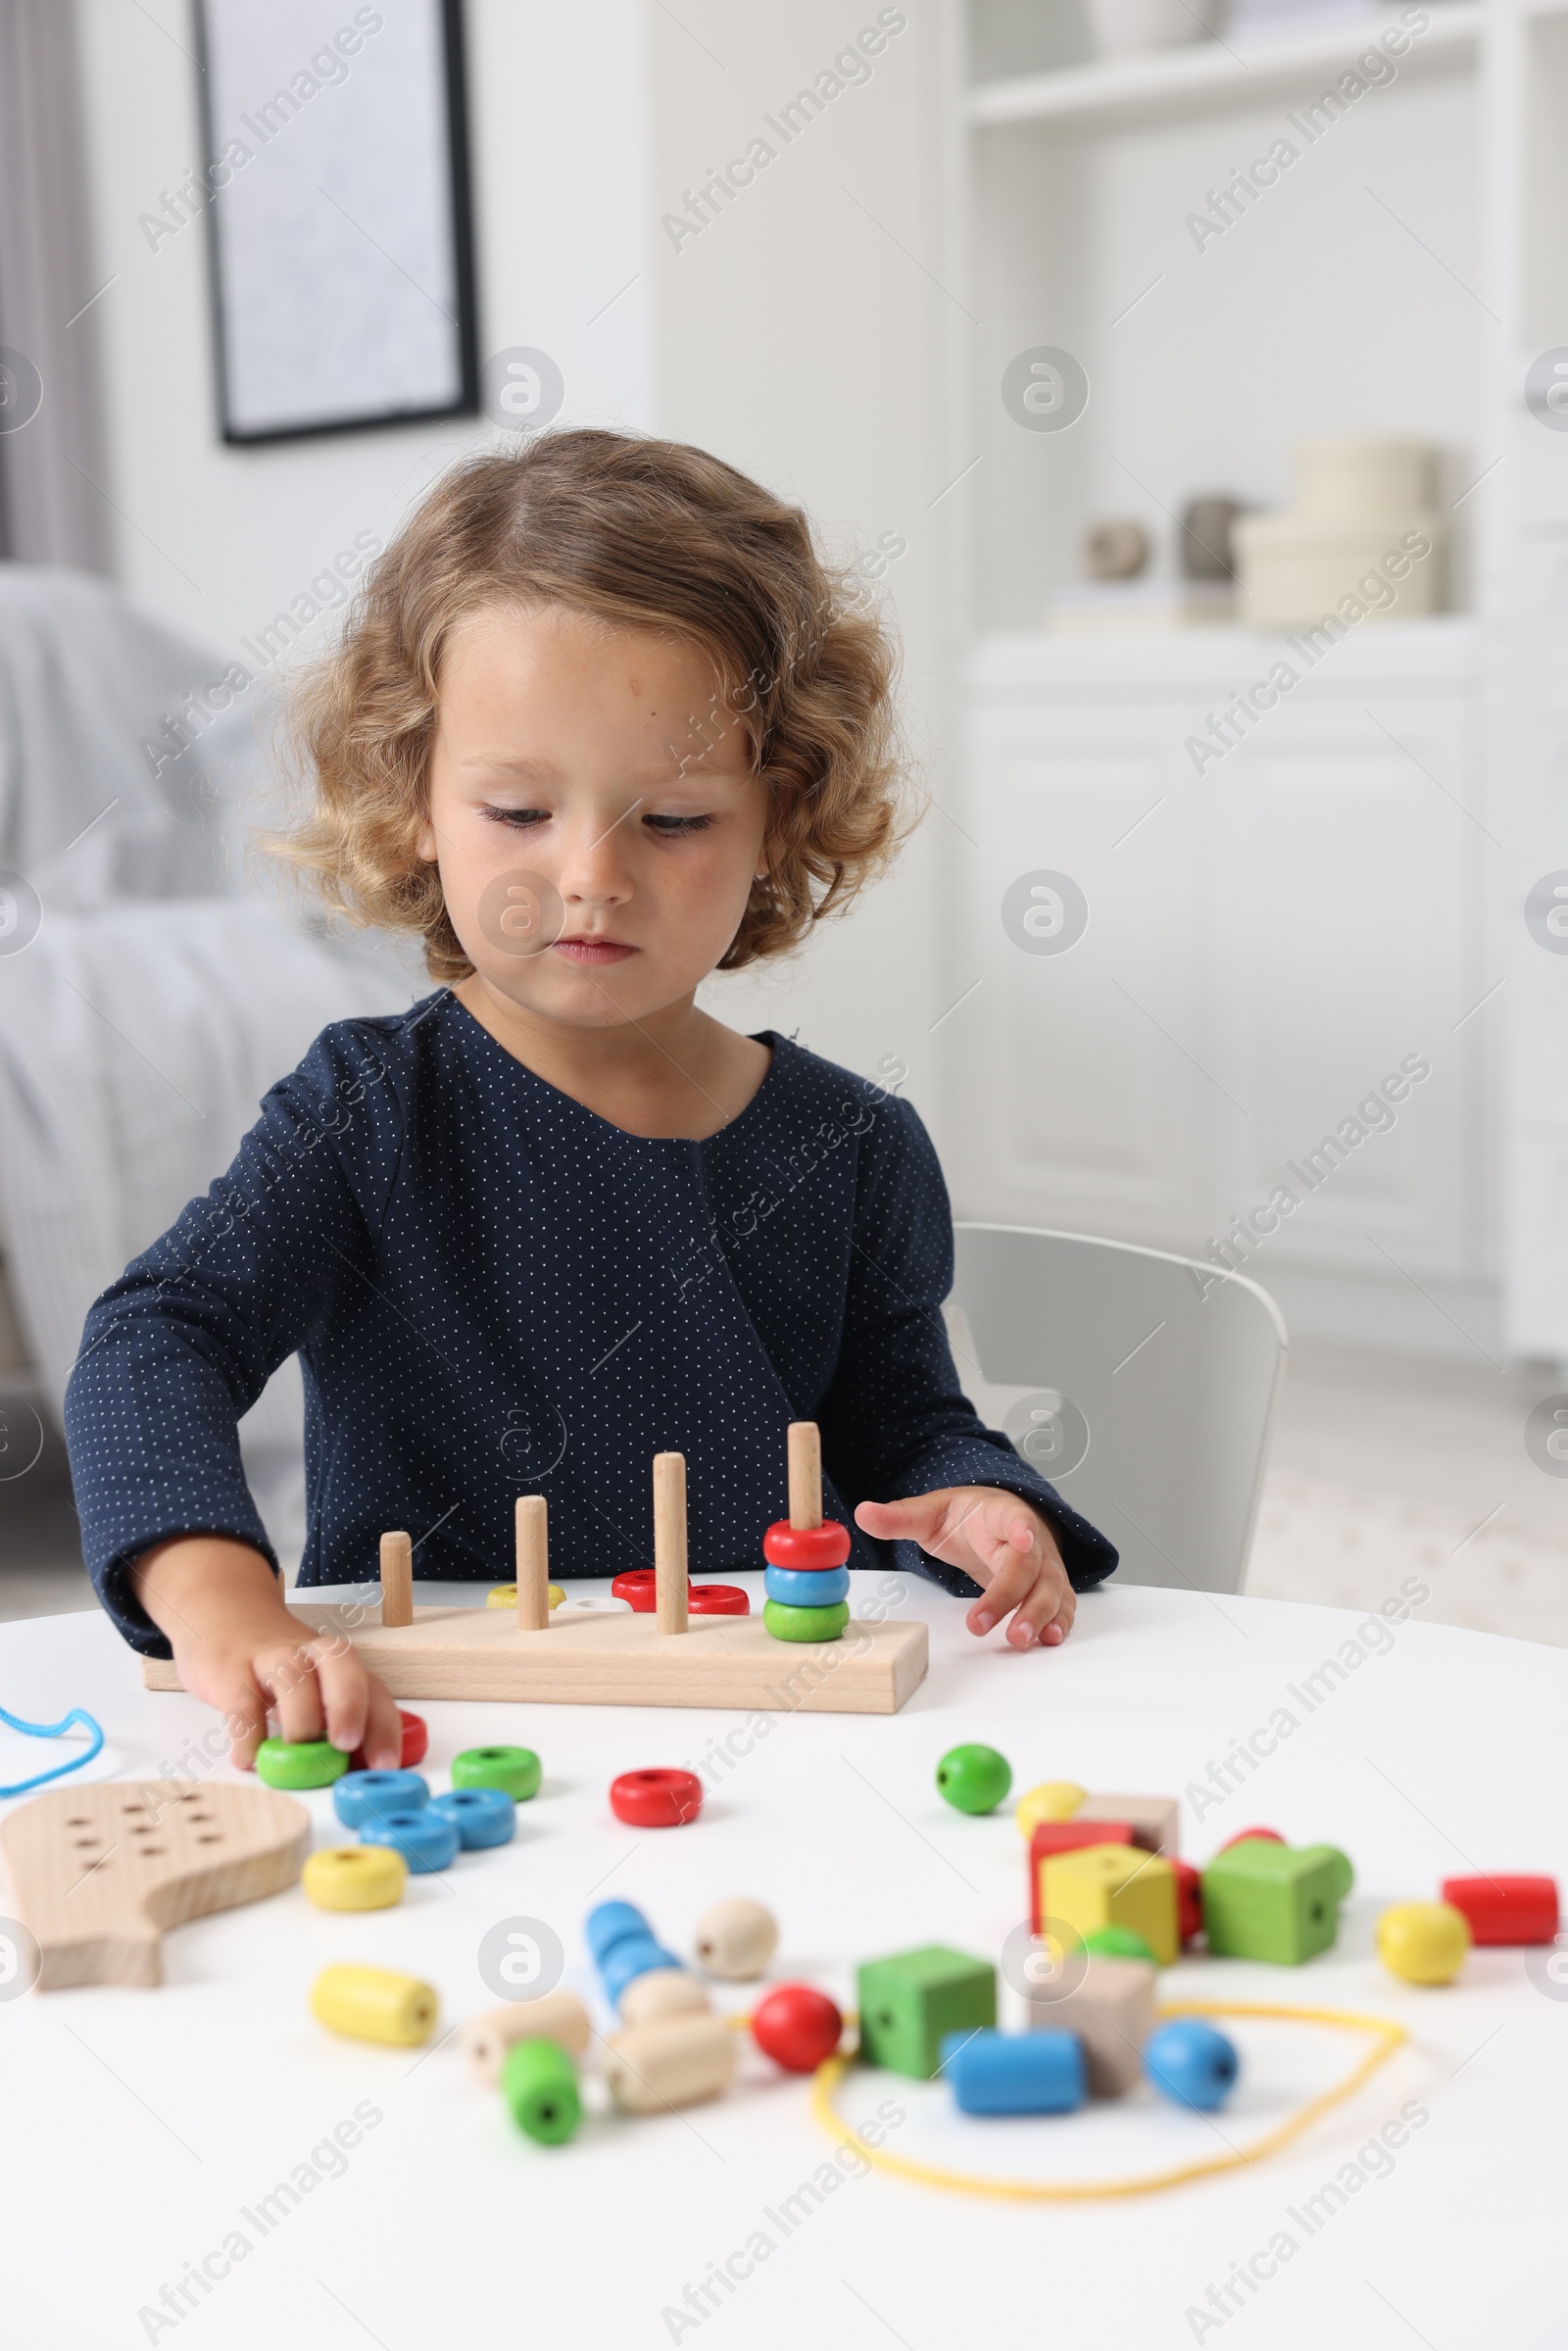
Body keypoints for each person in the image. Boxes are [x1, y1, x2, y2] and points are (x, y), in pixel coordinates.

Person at [65, 430, 1116, 1772]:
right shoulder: (371, 1115)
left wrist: (975, 1499)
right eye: (516, 808)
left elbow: (901, 1423)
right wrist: (224, 1607)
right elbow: (156, 1339)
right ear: (414, 809)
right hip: (439, 1738)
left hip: (778, 1741)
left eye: (672, 821)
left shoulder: (852, 1148)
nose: (592, 877)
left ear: (778, 818)